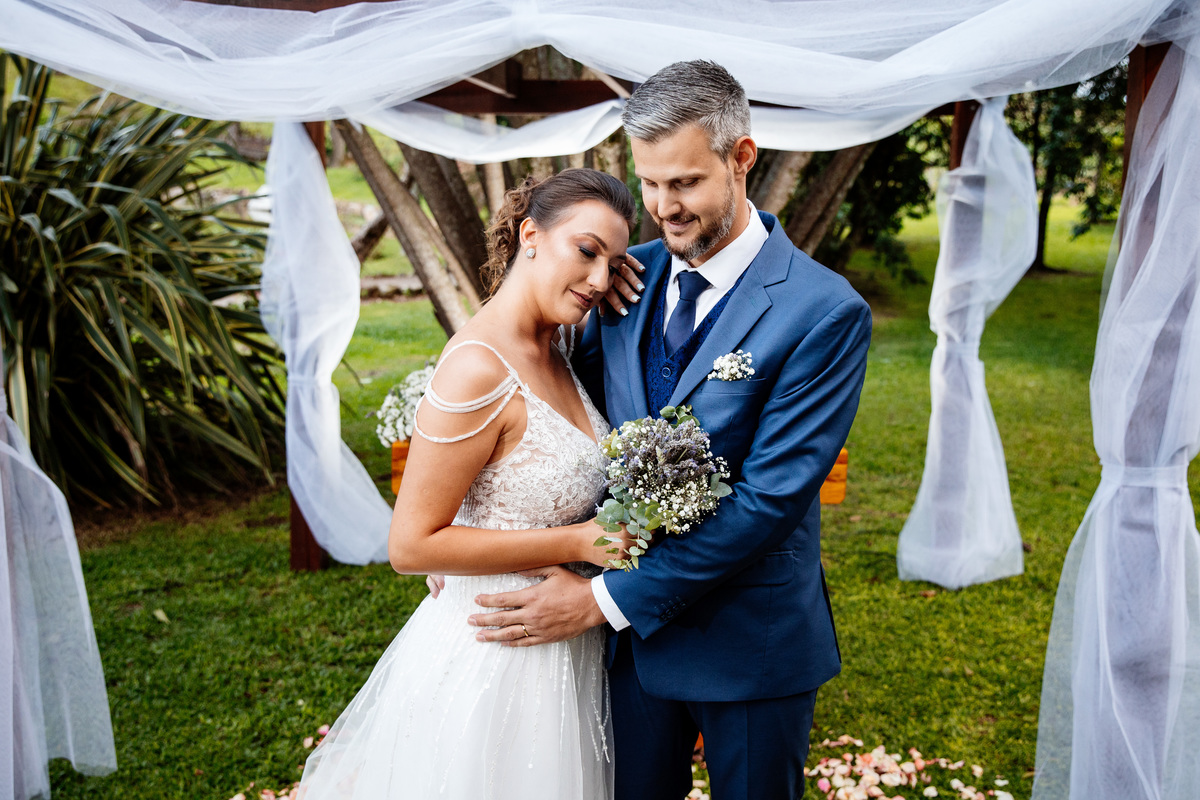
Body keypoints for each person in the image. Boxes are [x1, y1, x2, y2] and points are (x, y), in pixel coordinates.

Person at [468, 60, 873, 800]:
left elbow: (768, 501)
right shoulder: (619, 276)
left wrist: (600, 601)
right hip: (626, 654)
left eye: (684, 183)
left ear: (741, 157)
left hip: (748, 641)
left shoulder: (825, 312)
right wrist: (466, 524)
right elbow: (541, 396)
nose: (663, 208)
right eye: (650, 184)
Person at [296, 168, 639, 800]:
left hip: (563, 647)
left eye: (613, 265)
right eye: (587, 252)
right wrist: (581, 542)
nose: (598, 279)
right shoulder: (479, 367)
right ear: (531, 234)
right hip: (494, 654)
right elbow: (411, 546)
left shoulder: (559, 341)